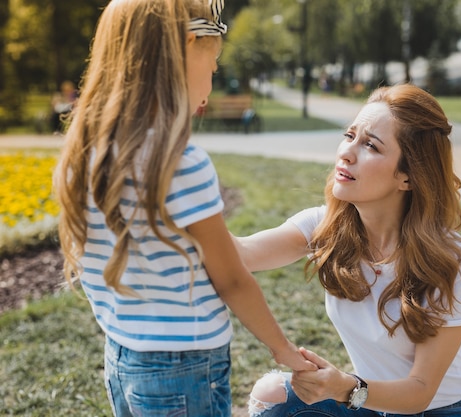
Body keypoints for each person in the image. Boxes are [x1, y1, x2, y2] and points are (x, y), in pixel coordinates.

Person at [53, 0, 315, 416]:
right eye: (212, 67)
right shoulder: (179, 161)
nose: (211, 83)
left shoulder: (89, 153)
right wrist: (282, 348)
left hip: (123, 357)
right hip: (185, 365)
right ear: (187, 45)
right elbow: (231, 278)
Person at [235, 83, 461, 416]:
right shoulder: (324, 227)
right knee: (271, 394)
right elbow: (242, 253)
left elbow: (420, 392)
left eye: (370, 145)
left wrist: (344, 386)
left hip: (442, 409)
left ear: (408, 176)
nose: (347, 152)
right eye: (350, 135)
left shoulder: (450, 260)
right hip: (367, 401)